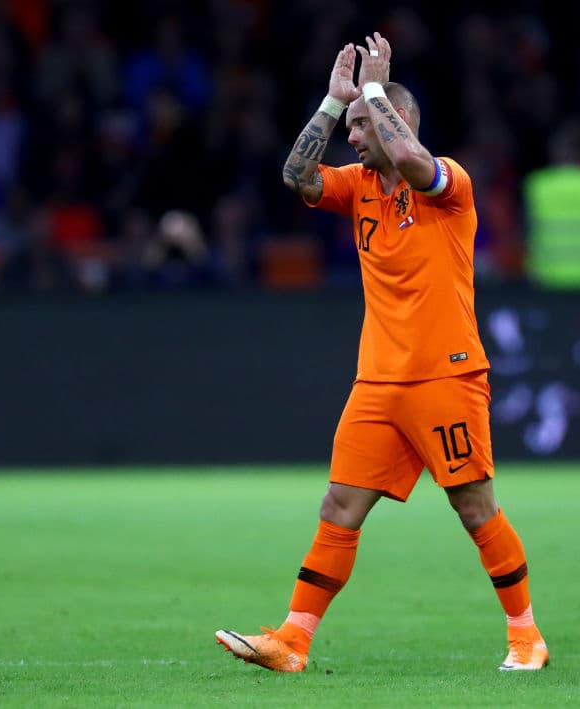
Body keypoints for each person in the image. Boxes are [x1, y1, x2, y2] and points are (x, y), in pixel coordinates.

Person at [215, 32, 548, 673]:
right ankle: (292, 640)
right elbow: (296, 176)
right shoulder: (358, 184)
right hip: (378, 382)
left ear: (394, 120)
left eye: (363, 126)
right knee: (338, 507)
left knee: (474, 507)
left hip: (445, 376)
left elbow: (413, 159)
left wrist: (374, 89)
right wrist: (335, 101)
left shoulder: (449, 188)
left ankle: (526, 636)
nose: (354, 138)